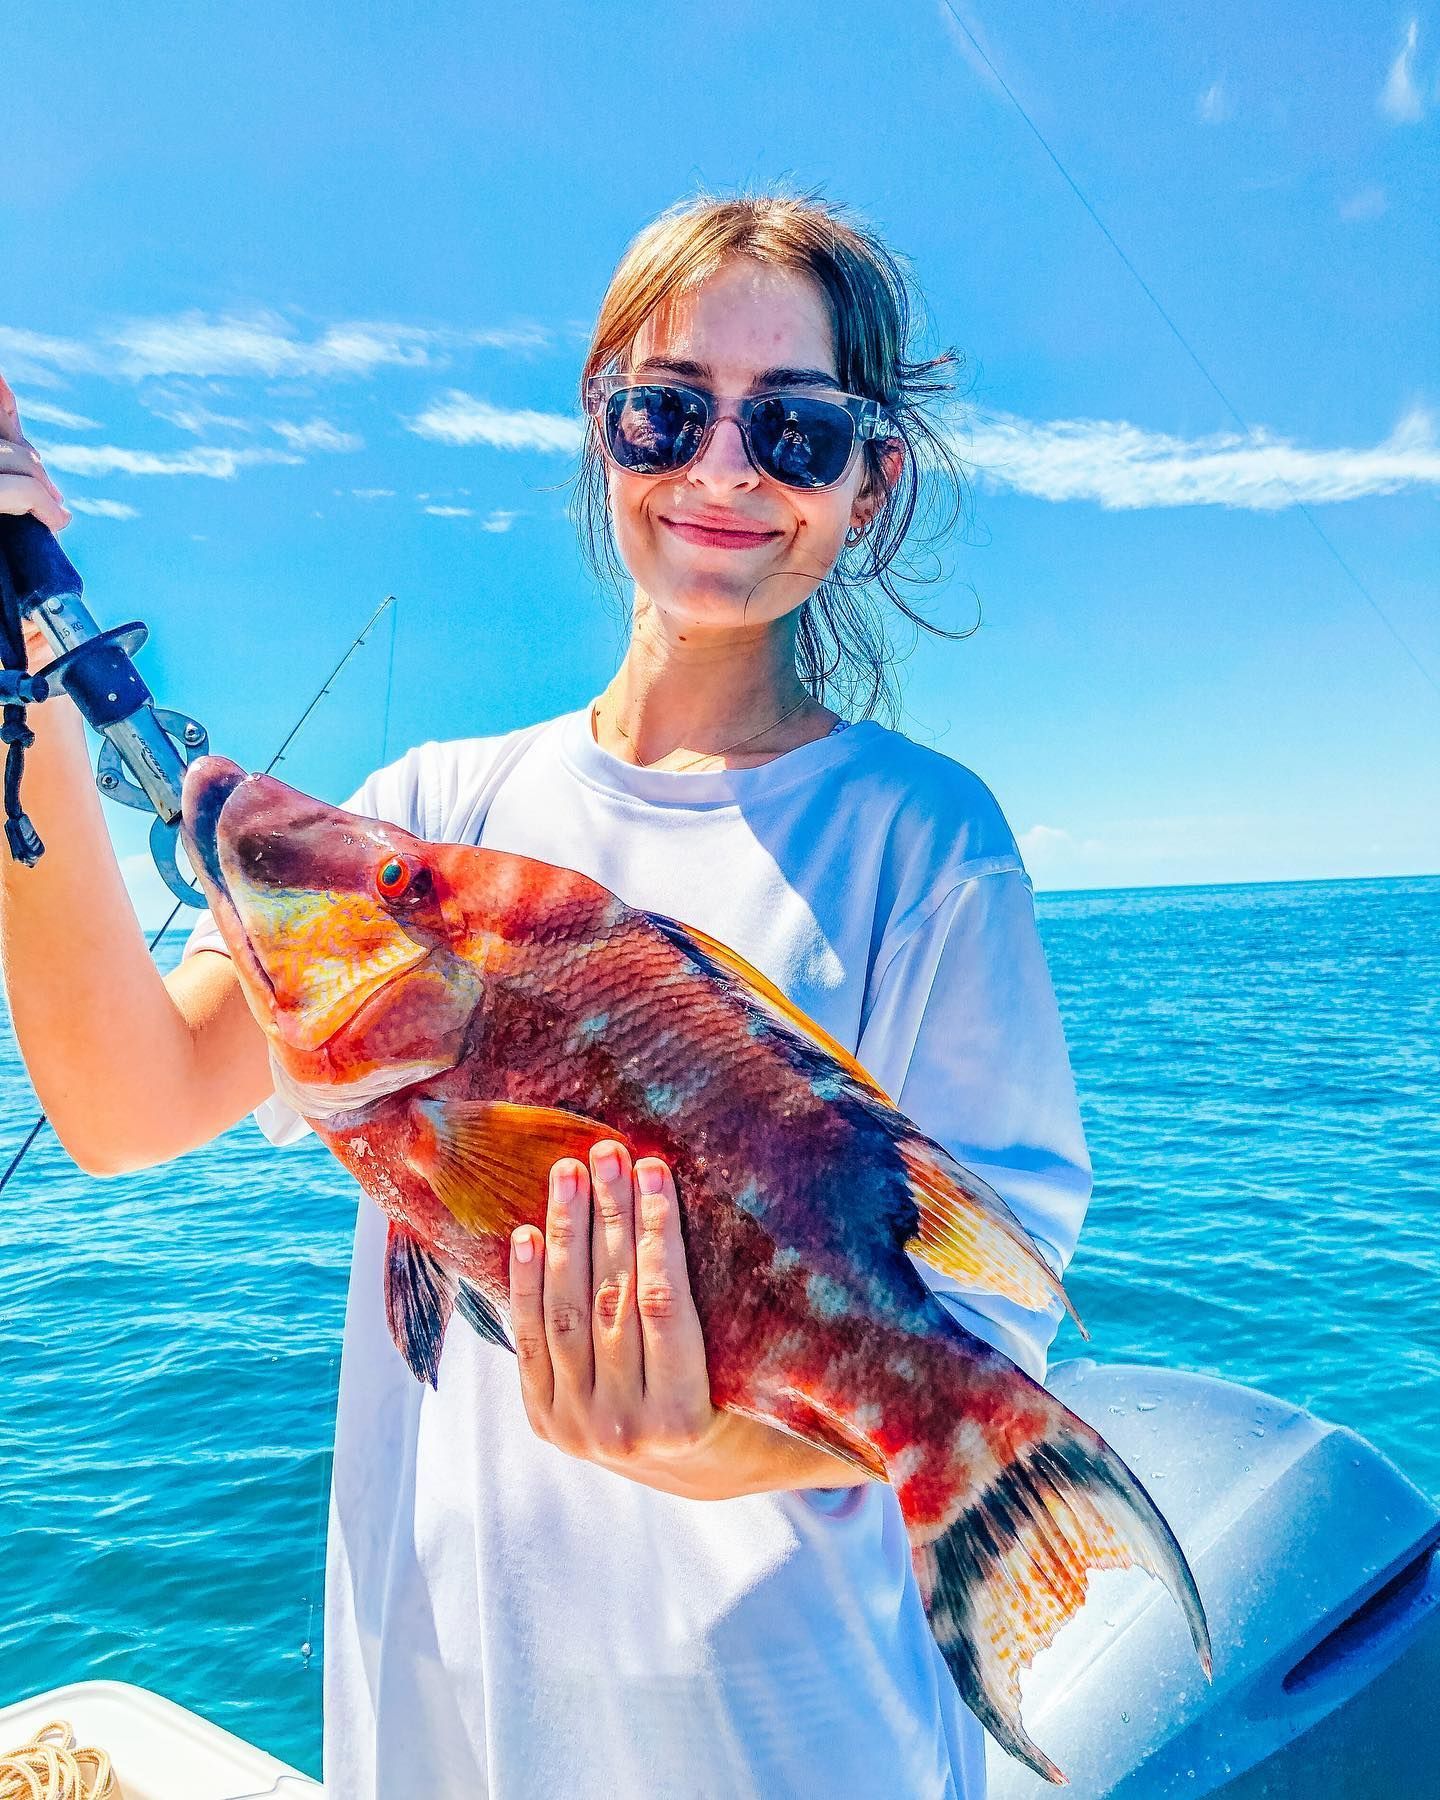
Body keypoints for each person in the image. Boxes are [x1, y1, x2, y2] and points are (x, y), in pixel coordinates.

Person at [0, 190, 1092, 1799]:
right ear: (602, 437)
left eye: (795, 430)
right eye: (666, 412)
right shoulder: (432, 813)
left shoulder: (923, 841)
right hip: (452, 1724)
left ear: (872, 486)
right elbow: (122, 1101)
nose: (723, 469)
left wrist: (702, 1439)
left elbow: (987, 1320)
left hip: (787, 1741)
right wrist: (18, 682)